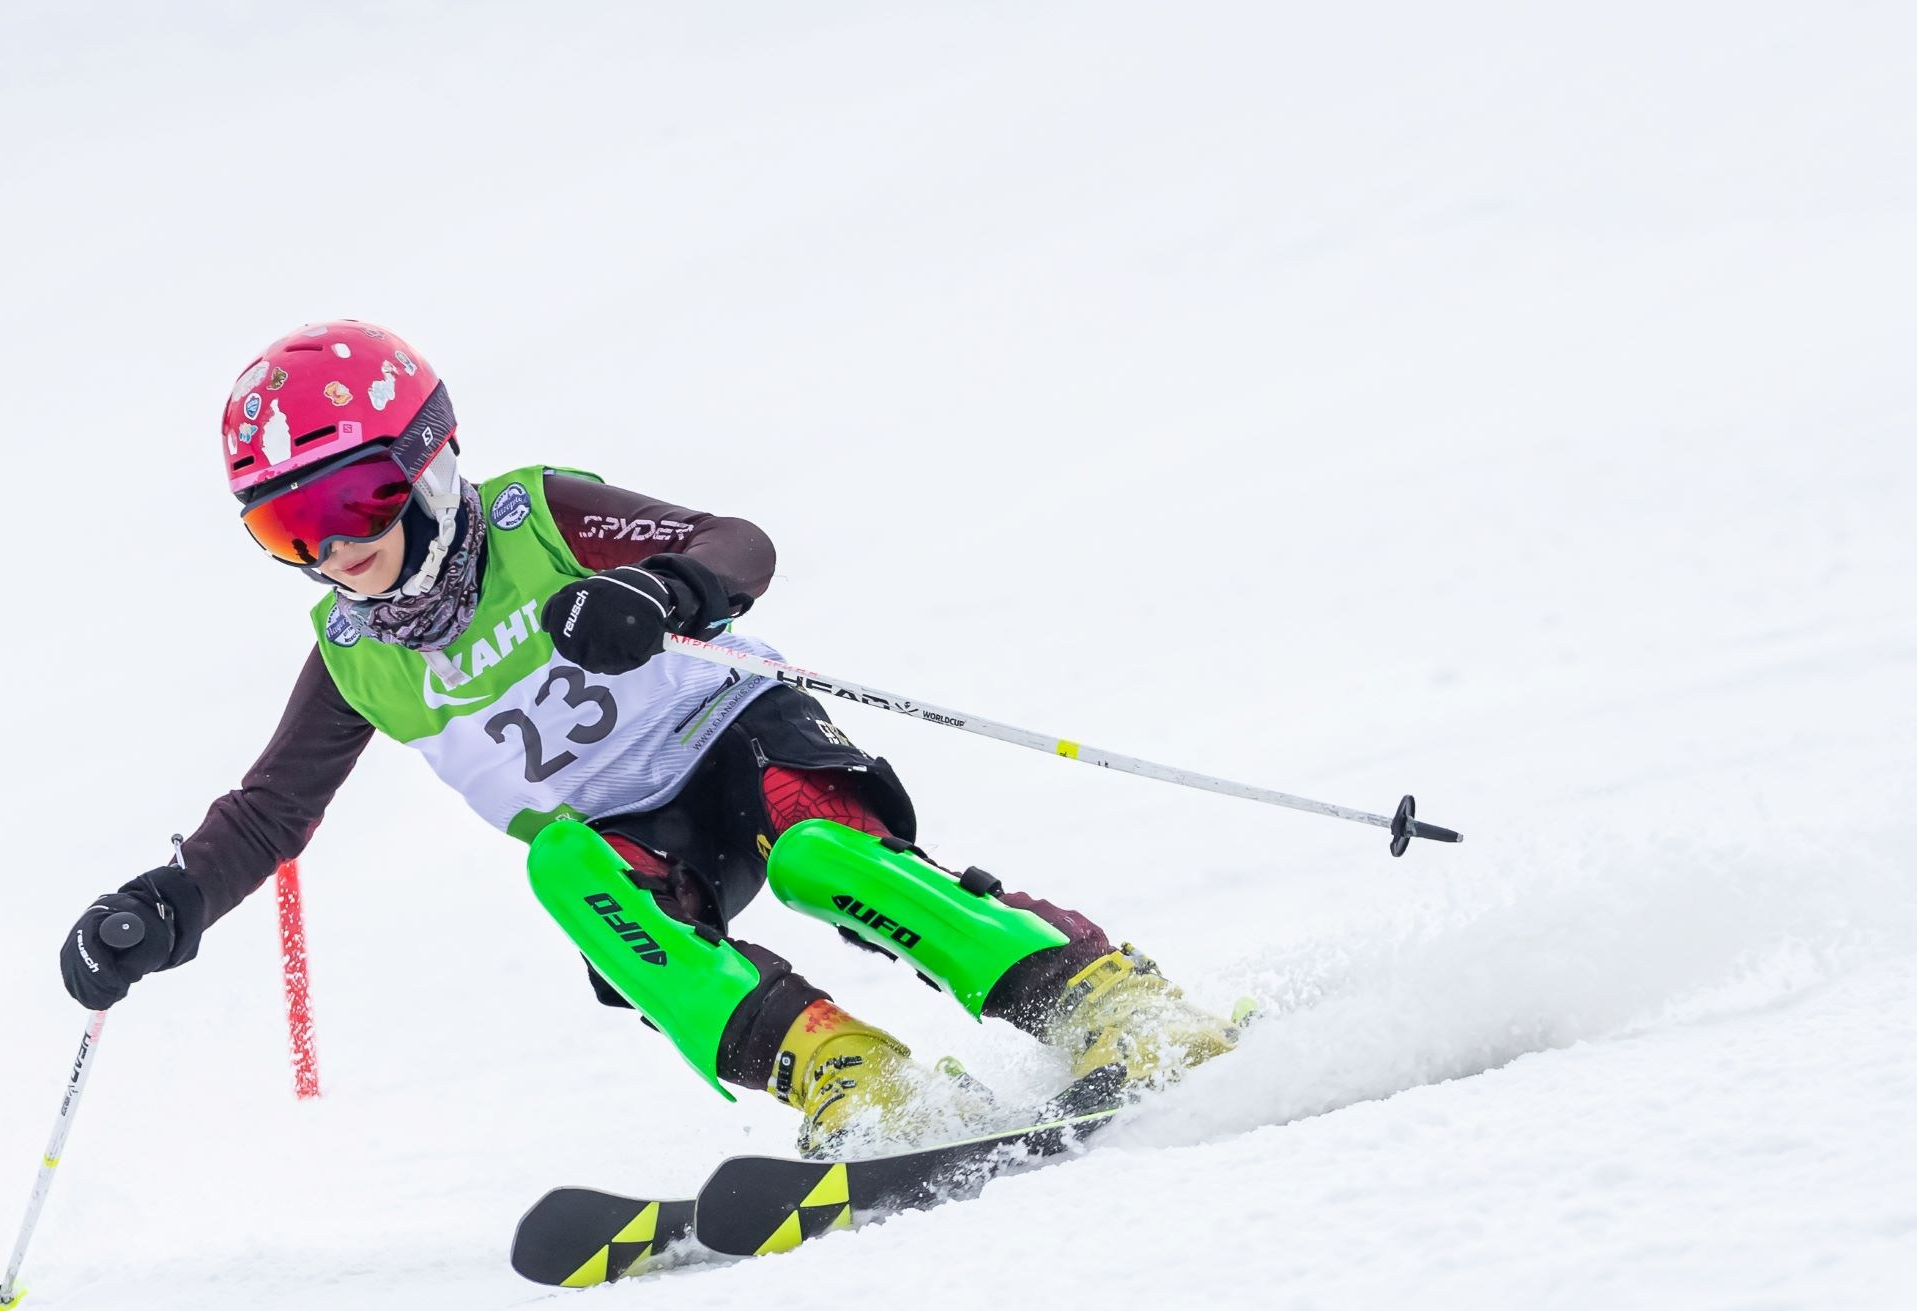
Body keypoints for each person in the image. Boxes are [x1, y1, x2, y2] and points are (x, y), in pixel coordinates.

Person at [60, 320, 1236, 1152]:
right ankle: (850, 1077)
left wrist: (664, 593)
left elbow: (739, 542)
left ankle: (1089, 993)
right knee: (564, 869)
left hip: (738, 735)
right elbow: (272, 814)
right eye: (286, 528)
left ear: (426, 463)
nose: (330, 551)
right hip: (636, 825)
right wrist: (166, 906)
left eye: (347, 504)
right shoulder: (355, 652)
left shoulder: (535, 519)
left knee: (824, 860)